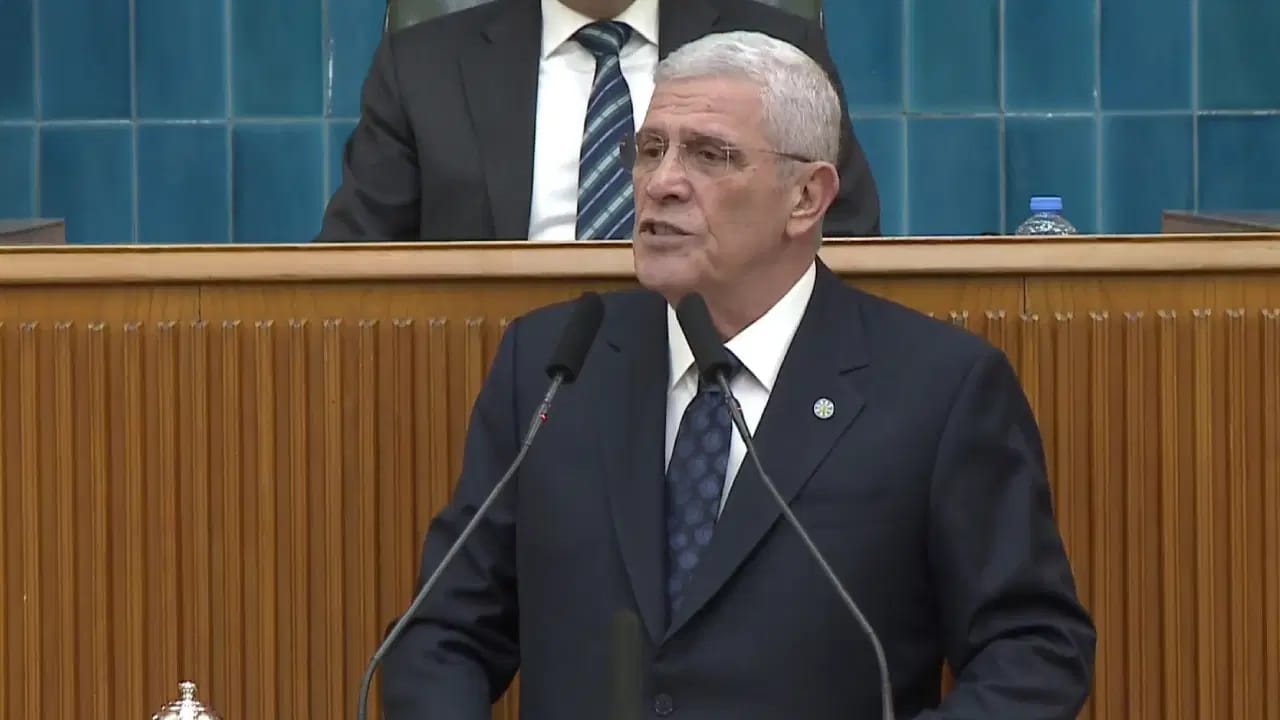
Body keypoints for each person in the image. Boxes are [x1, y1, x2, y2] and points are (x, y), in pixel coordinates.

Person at [381, 30, 1095, 720]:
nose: (661, 183)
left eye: (709, 155)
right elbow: (442, 633)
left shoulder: (937, 389)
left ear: (806, 197)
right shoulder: (556, 364)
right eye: (650, 150)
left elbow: (1032, 650)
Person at [316, 0, 881, 242]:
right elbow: (355, 265)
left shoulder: (779, 50)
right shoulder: (423, 67)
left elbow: (846, 240)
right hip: (482, 368)